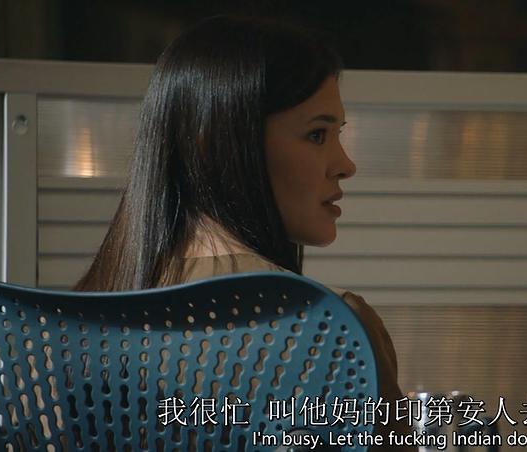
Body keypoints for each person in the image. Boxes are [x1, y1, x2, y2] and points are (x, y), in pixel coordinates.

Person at [73, 15, 415, 451]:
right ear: (215, 144)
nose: (346, 164)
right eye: (317, 135)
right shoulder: (333, 327)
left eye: (337, 135)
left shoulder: (72, 327)